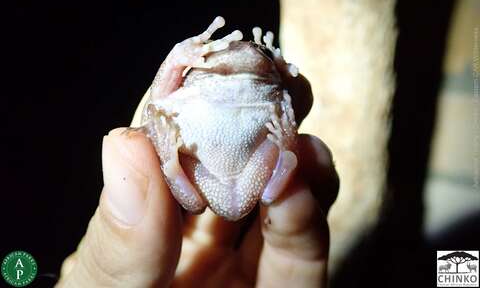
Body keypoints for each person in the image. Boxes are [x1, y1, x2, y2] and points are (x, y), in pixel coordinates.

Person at [56, 77, 339, 287]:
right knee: (219, 197)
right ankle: (173, 161)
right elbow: (157, 101)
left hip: (236, 182)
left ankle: (281, 156)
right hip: (217, 183)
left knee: (267, 193)